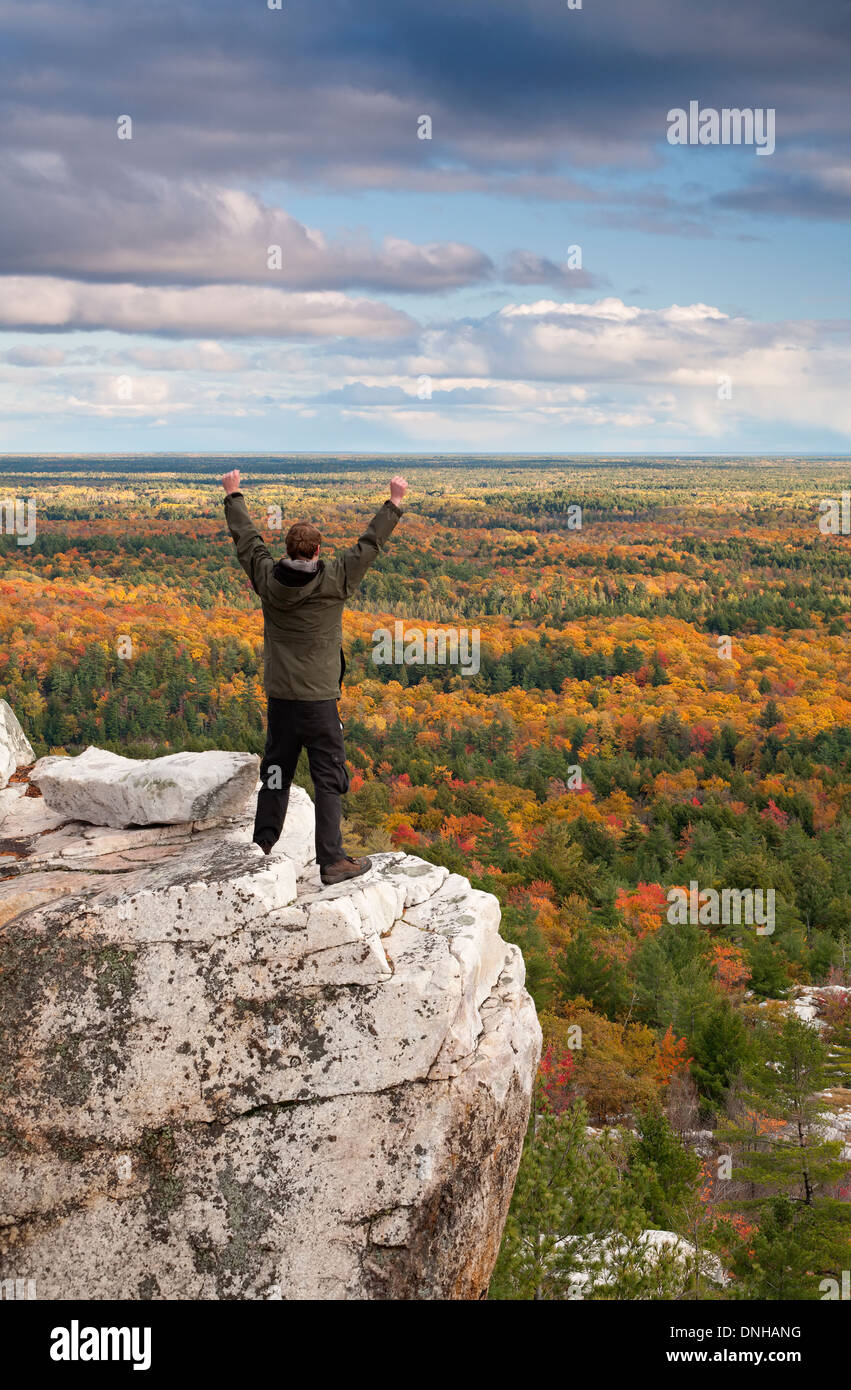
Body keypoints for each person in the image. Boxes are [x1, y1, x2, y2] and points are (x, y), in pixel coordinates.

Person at [222, 468, 407, 885]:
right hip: (321, 702)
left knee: (276, 772)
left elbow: (247, 541)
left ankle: (262, 848)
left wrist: (234, 495)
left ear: (286, 549)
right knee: (329, 777)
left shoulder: (267, 580)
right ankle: (333, 861)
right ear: (318, 550)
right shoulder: (335, 580)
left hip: (282, 700)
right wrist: (393, 503)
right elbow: (369, 545)